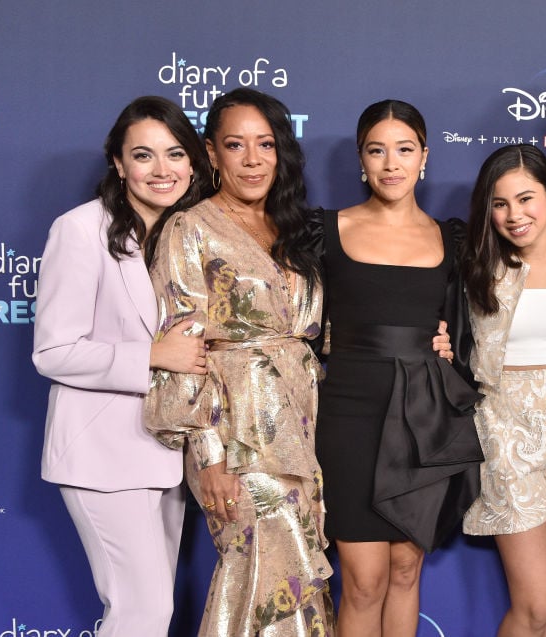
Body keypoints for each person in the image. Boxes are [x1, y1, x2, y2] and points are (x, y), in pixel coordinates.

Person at [144, 88, 333, 636]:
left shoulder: (292, 229)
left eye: (266, 144)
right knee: (256, 574)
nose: (252, 159)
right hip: (236, 439)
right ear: (211, 154)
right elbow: (180, 349)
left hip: (299, 432)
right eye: (235, 145)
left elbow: (312, 335)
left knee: (295, 575)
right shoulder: (189, 228)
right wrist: (207, 456)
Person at [32, 96, 210, 637]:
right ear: (117, 162)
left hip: (166, 452)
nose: (162, 170)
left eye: (175, 154)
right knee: (141, 612)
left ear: (194, 162)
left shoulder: (191, 236)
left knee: (151, 613)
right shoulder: (81, 229)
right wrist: (151, 356)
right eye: (144, 155)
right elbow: (53, 351)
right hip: (101, 455)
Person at [315, 99, 482, 637]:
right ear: (362, 161)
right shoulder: (324, 231)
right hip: (348, 413)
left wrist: (451, 345)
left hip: (421, 415)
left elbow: (469, 325)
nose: (392, 163)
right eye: (377, 150)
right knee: (364, 580)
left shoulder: (450, 239)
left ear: (425, 157)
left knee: (407, 570)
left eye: (404, 149)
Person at [460, 144, 546, 637]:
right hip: (505, 427)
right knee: (535, 602)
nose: (514, 215)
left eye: (526, 199)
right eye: (500, 204)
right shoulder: (478, 265)